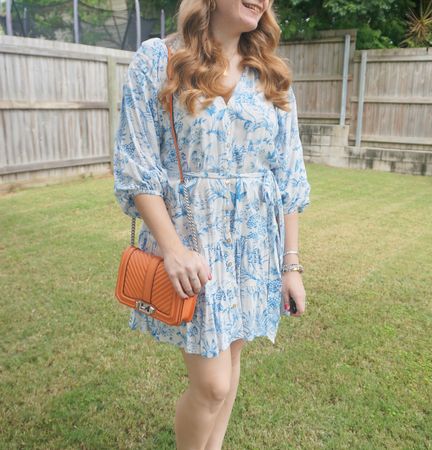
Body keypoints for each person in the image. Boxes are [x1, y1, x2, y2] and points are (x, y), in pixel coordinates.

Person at [113, 0, 311, 448]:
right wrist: (172, 249)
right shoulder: (159, 60)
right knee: (212, 384)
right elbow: (137, 163)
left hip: (254, 245)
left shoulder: (271, 73)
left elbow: (289, 175)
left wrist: (291, 266)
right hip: (194, 244)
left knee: (232, 361)